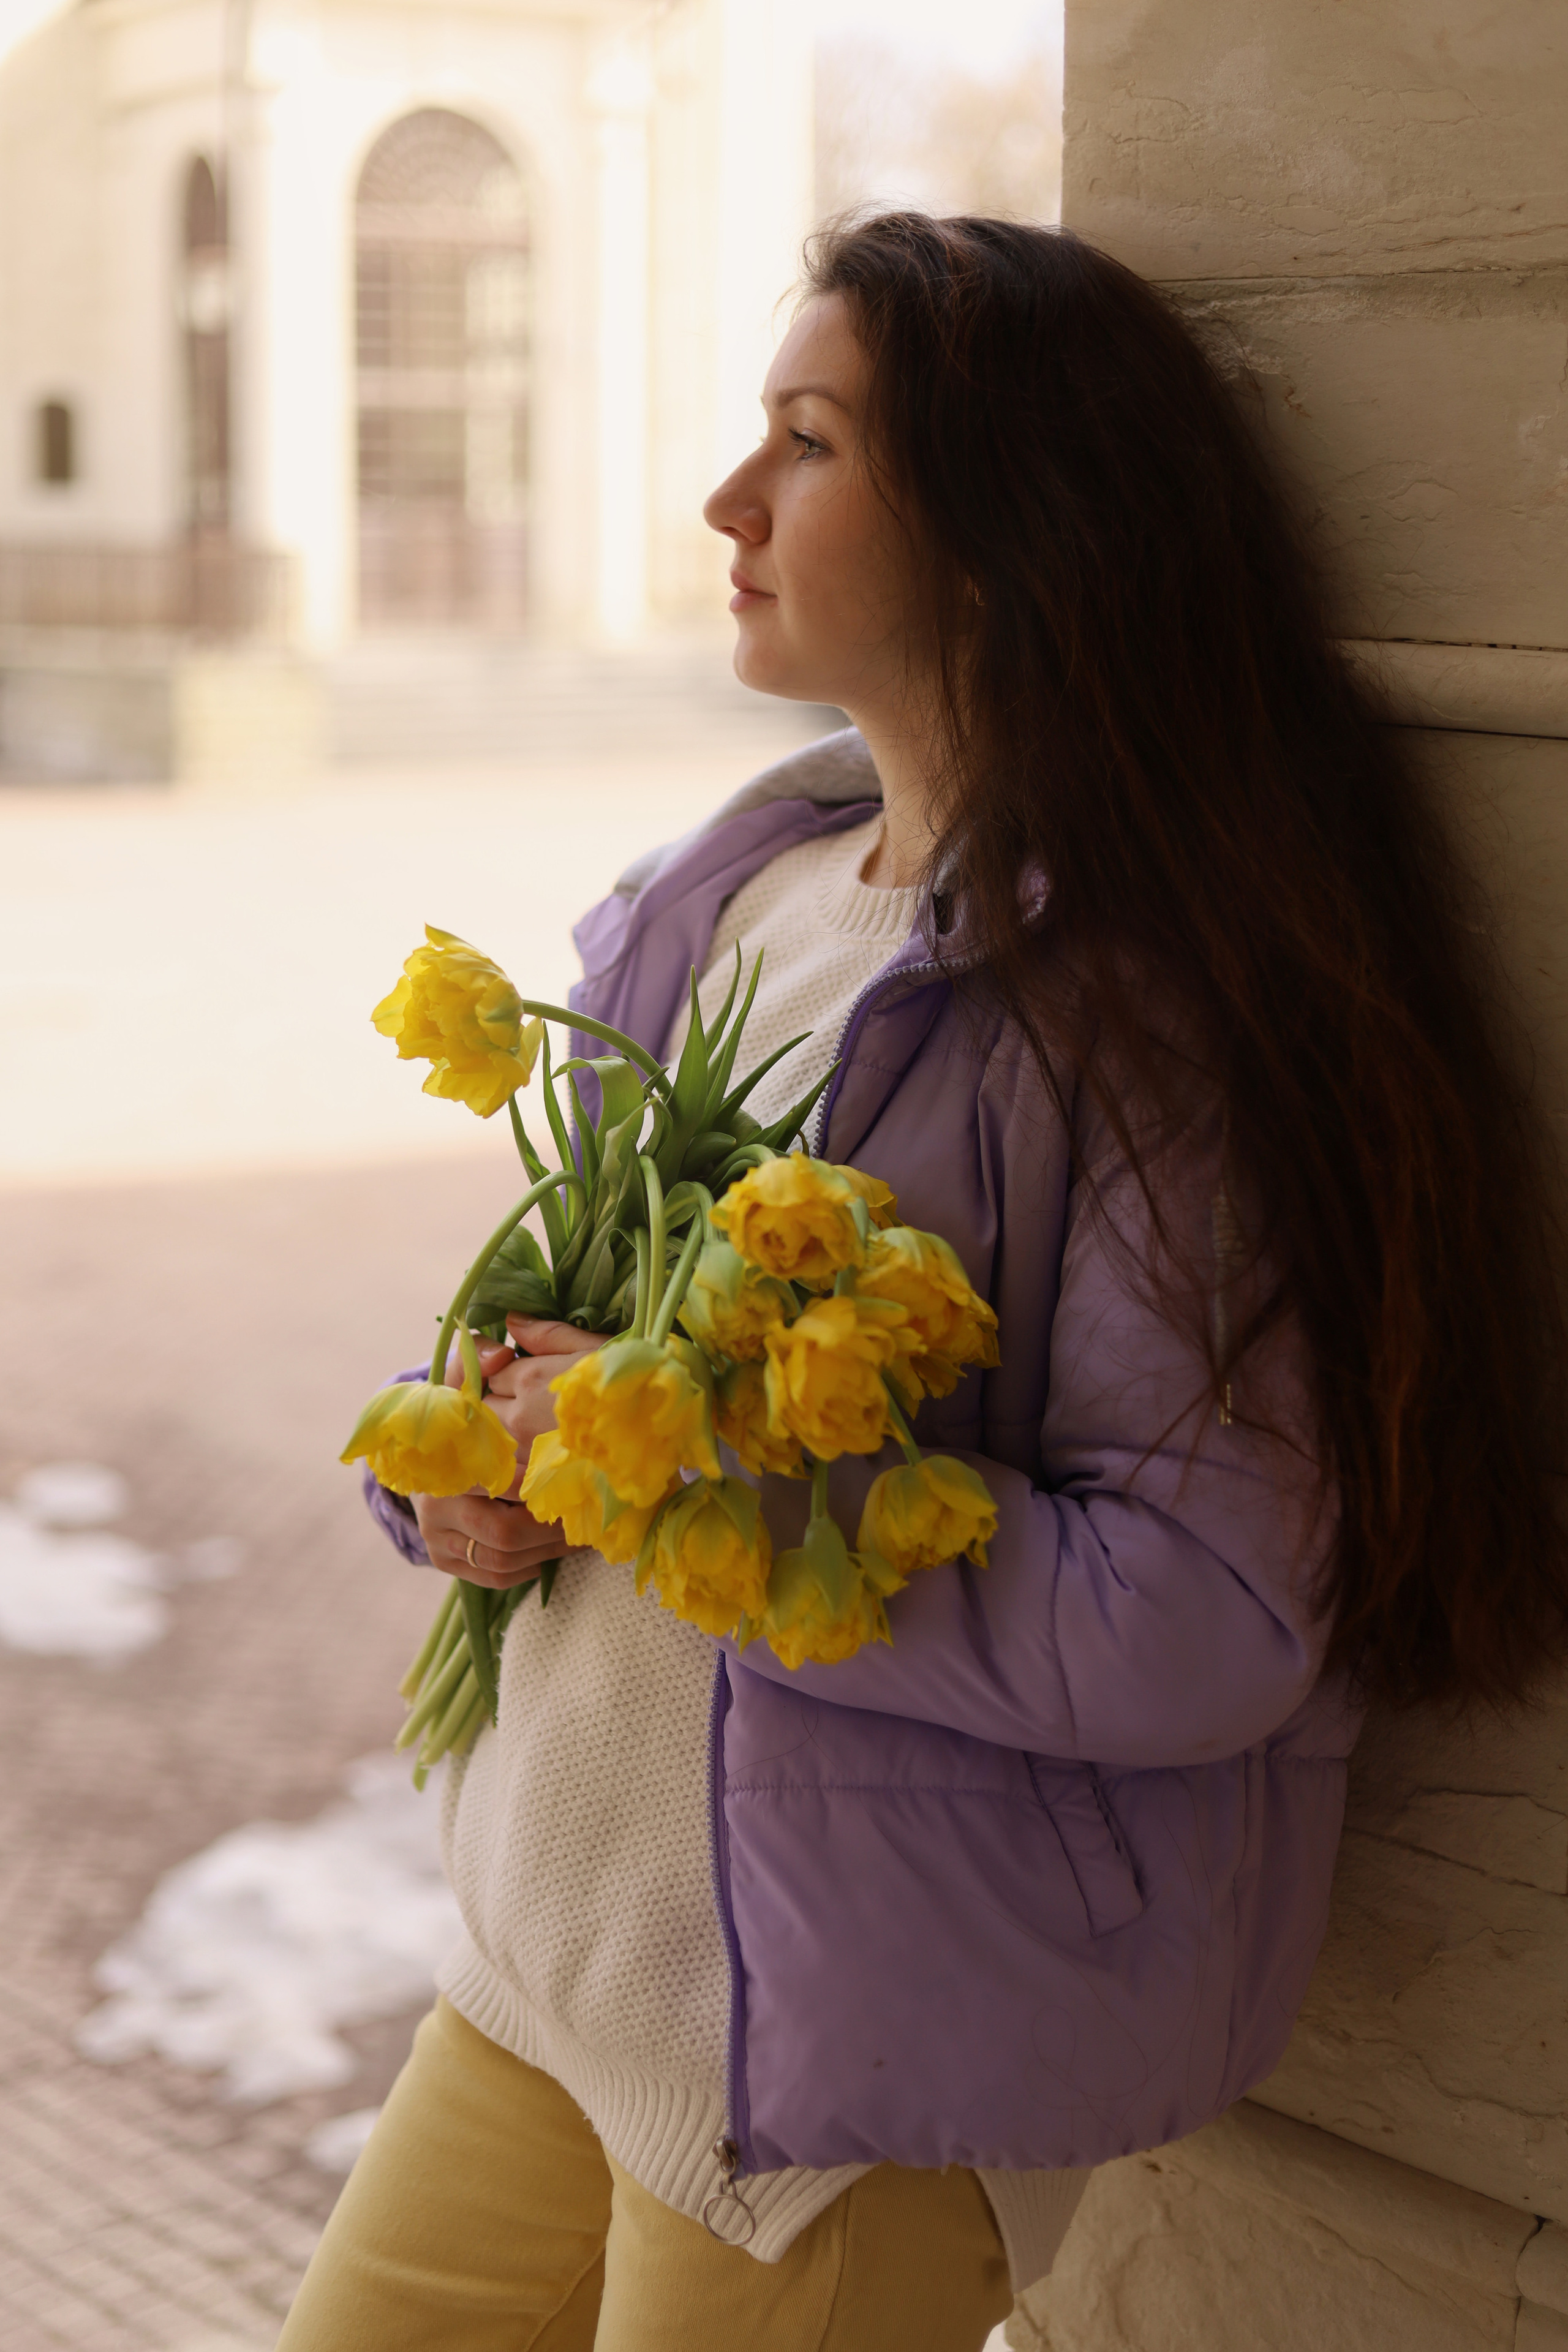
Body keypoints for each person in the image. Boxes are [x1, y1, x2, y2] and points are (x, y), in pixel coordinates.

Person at [277, 214, 1568, 2352]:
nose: (728, 501)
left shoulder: (1146, 1021)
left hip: (831, 2099)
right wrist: (470, 1476)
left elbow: (1204, 1614)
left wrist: (684, 1494)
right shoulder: (735, 901)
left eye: (805, 442)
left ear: (1008, 526)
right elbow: (548, 1342)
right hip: (542, 1962)